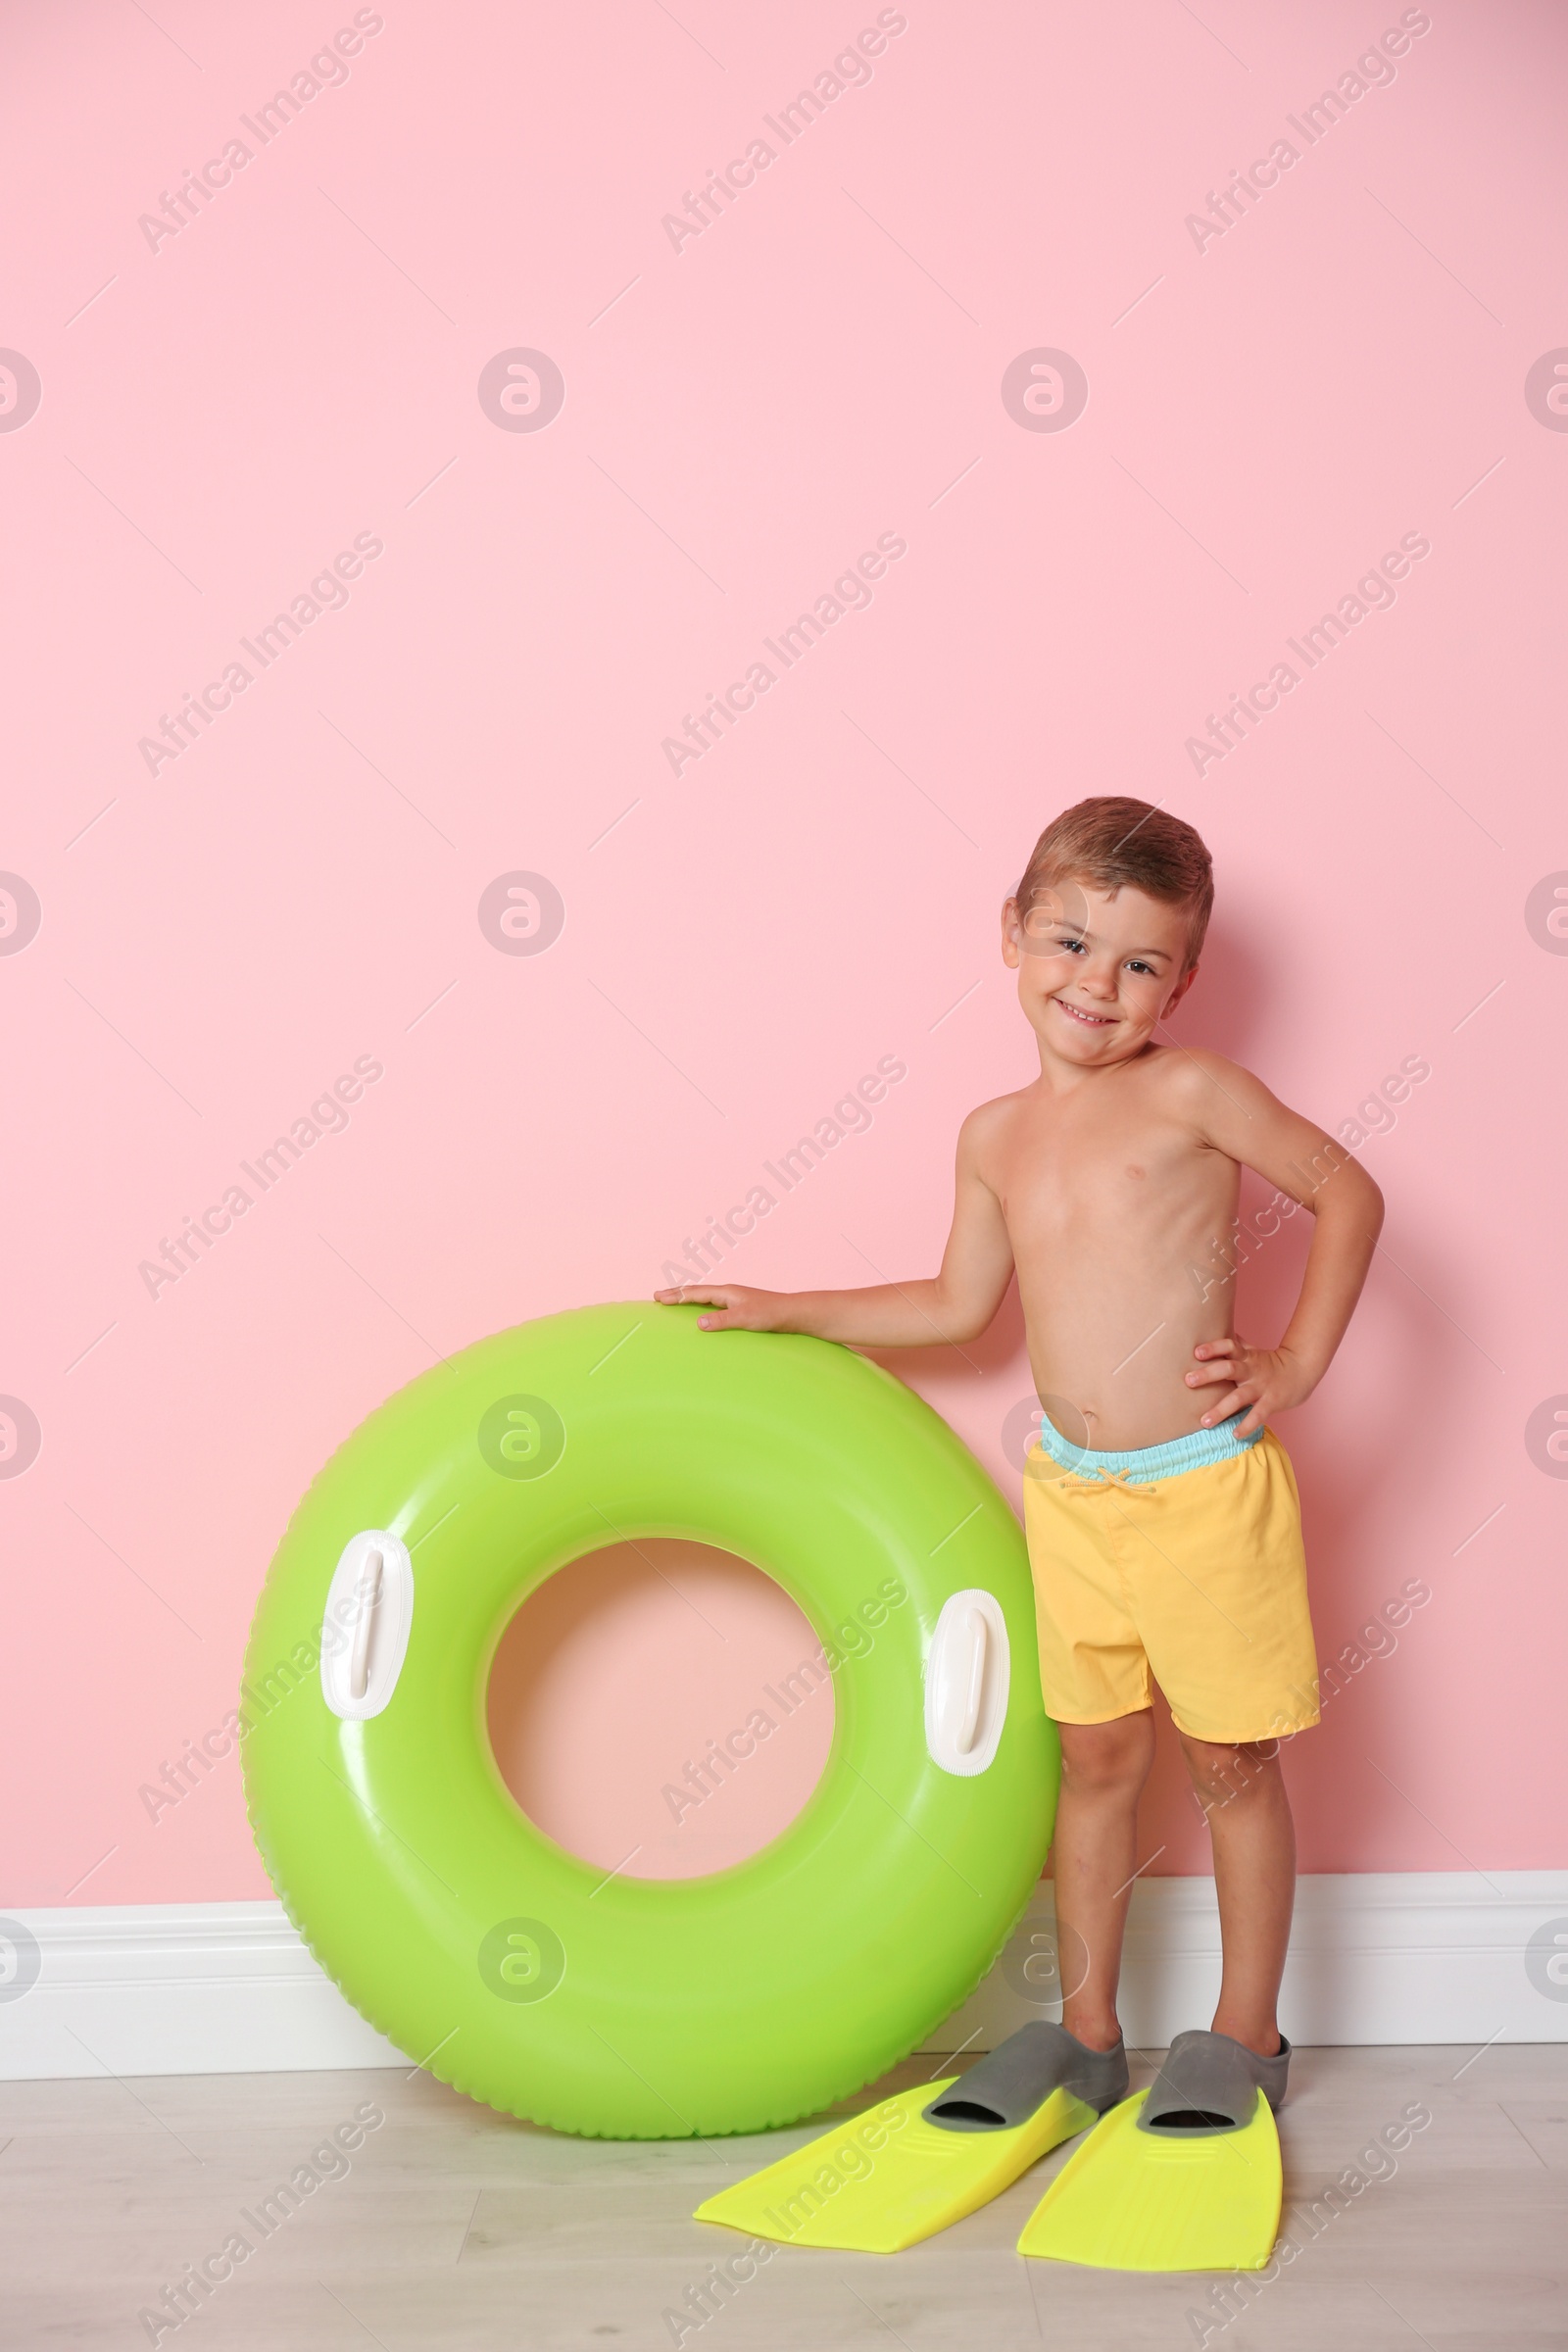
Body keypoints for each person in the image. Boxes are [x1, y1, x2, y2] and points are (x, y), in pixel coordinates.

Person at [656, 796, 1384, 2087]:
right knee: (1099, 1757)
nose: (1097, 986)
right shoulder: (995, 1135)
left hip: (1204, 1490)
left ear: (1182, 983)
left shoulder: (1195, 1092)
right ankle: (1088, 2028)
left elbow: (1346, 1190)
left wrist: (1300, 1362)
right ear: (1012, 935)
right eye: (1068, 943)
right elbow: (955, 1305)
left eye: (1140, 963)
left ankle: (1247, 2031)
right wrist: (790, 1309)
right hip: (1076, 1493)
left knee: (1228, 1762)